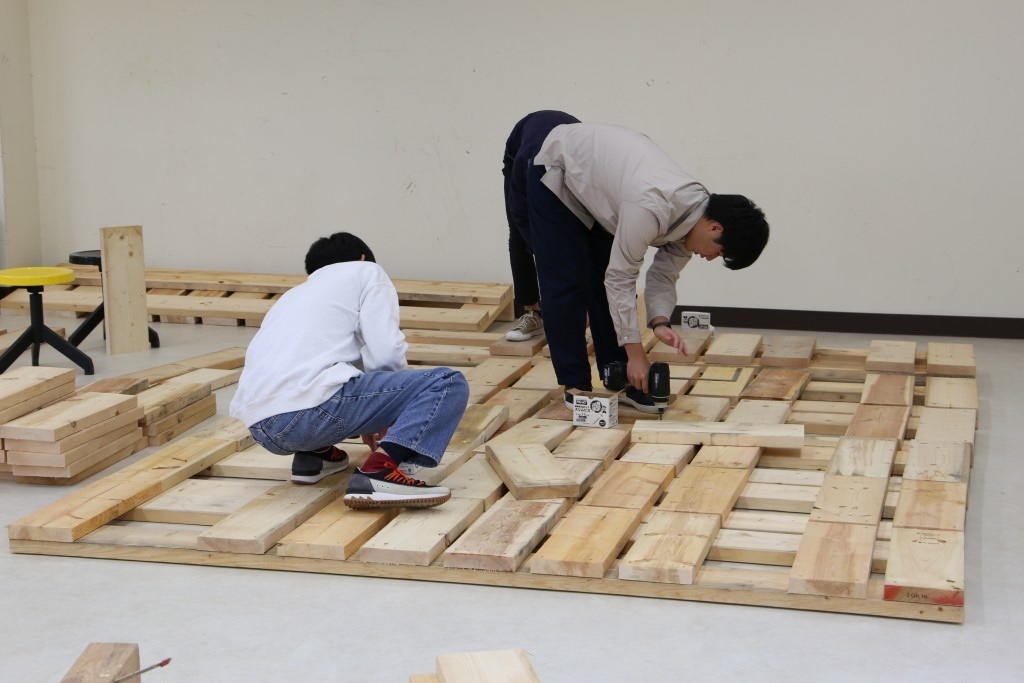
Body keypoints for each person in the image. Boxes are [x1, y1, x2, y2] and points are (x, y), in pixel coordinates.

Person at [503, 111, 769, 413]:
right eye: (719, 253)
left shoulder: (694, 214)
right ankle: (575, 383)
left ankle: (617, 374)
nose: (710, 258)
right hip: (555, 169)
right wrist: (637, 354)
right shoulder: (651, 206)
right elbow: (620, 279)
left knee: (600, 279)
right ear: (715, 228)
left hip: (600, 190)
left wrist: (660, 321)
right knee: (567, 281)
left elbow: (663, 276)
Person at [229, 232, 469, 509]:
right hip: (309, 412)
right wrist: (388, 414)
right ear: (362, 258)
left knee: (322, 381)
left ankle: (314, 456)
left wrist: (372, 409)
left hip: (263, 429)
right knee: (446, 383)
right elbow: (385, 350)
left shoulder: (293, 296)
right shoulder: (366, 272)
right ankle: (379, 472)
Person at [502, 111, 581, 342]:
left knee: (576, 233)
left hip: (564, 149)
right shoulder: (525, 163)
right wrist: (541, 251)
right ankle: (532, 313)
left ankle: (576, 312)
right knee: (519, 236)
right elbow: (519, 214)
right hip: (519, 152)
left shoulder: (583, 163)